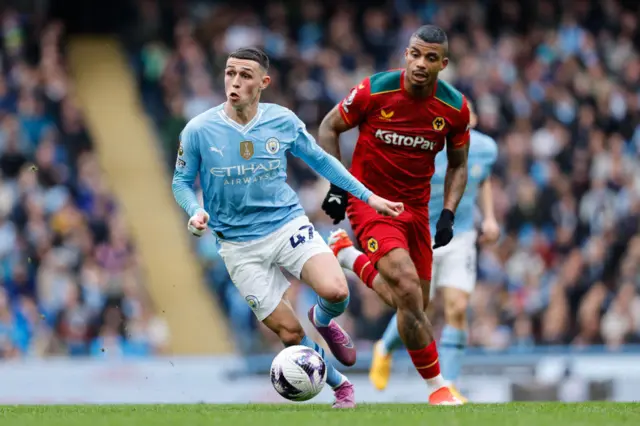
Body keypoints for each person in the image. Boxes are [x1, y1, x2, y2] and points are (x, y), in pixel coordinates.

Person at [171, 47, 403, 409]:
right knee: (289, 333)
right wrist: (194, 210)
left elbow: (321, 161)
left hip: (286, 224)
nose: (235, 81)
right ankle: (341, 386)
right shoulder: (199, 130)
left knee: (337, 291)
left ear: (263, 83)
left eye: (245, 75)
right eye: (231, 73)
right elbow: (181, 182)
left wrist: (368, 196)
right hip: (238, 246)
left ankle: (323, 319)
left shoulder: (282, 121)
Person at [318, 25, 469, 405]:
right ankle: (438, 389)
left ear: (443, 64)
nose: (421, 63)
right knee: (403, 284)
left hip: (416, 210)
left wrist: (448, 213)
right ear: (406, 54)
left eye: (430, 58)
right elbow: (328, 127)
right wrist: (339, 187)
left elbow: (458, 165)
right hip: (370, 201)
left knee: (414, 304)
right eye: (415, 54)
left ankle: (351, 259)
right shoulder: (374, 90)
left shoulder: (454, 109)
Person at [362, 101, 499, 400]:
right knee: (417, 307)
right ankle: (384, 347)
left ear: (471, 119)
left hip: (460, 235)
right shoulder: (426, 147)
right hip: (421, 233)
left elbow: (482, 176)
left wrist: (488, 216)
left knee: (457, 308)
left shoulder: (486, 148)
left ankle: (448, 384)